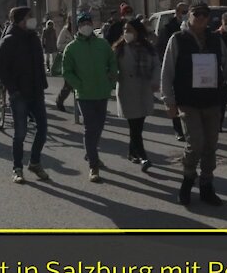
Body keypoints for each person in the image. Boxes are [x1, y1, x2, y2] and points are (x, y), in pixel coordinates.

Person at [161, 2, 227, 206]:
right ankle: (187, 181)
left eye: (205, 15)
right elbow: (167, 72)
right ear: (189, 15)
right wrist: (168, 101)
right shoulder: (178, 39)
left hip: (212, 101)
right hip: (188, 102)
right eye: (197, 14)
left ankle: (206, 185)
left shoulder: (215, 39)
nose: (202, 18)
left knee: (211, 146)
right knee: (195, 143)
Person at [0, 6, 51, 184]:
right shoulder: (9, 40)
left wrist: (42, 83)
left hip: (36, 92)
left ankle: (34, 162)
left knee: (42, 129)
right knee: (20, 133)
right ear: (21, 20)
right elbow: (1, 69)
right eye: (29, 17)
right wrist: (13, 90)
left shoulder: (34, 38)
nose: (32, 19)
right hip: (19, 94)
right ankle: (17, 168)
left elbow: (39, 64)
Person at [62, 12, 119, 183]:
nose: (86, 25)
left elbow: (112, 62)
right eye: (83, 23)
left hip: (102, 92)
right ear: (78, 26)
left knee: (99, 126)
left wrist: (111, 77)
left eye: (88, 22)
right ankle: (94, 165)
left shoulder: (102, 44)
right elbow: (67, 71)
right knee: (89, 128)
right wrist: (78, 85)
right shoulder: (71, 48)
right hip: (84, 95)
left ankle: (90, 152)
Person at [115, 17, 160, 171]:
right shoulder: (119, 48)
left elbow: (156, 65)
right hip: (127, 90)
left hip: (144, 89)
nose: (126, 33)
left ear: (138, 32)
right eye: (125, 30)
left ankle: (131, 152)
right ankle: (143, 157)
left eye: (129, 30)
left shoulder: (148, 48)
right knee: (134, 127)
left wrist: (155, 81)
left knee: (137, 126)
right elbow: (110, 67)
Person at [157, 2, 190, 141]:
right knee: (175, 101)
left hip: (188, 68)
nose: (185, 14)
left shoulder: (191, 26)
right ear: (177, 12)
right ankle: (178, 130)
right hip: (174, 67)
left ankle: (189, 128)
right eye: (183, 12)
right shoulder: (168, 28)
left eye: (186, 11)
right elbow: (162, 48)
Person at [54, 16, 75, 112]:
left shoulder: (80, 29)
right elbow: (59, 45)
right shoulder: (65, 30)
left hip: (80, 59)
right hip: (69, 60)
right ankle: (59, 101)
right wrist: (69, 45)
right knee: (69, 83)